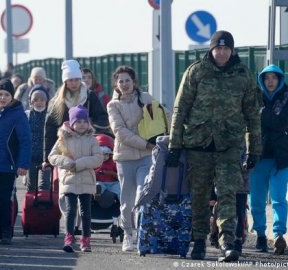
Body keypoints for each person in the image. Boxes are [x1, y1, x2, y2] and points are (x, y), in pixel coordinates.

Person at [167, 30, 262, 262]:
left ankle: (227, 243)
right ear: (211, 50)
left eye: (226, 48)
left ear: (232, 50)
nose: (221, 52)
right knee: (199, 196)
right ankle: (198, 242)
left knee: (228, 194)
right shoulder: (196, 72)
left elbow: (252, 115)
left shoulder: (243, 75)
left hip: (229, 145)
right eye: (217, 48)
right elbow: (180, 110)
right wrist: (174, 145)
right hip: (198, 144)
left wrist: (254, 149)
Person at [107, 65, 156, 252]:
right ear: (116, 84)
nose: (125, 84)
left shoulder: (146, 98)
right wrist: (145, 144)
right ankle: (128, 235)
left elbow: (164, 116)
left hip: (146, 156)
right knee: (127, 200)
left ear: (134, 82)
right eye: (121, 81)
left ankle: (142, 234)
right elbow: (120, 132)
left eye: (128, 80)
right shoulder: (113, 105)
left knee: (143, 194)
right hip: (125, 157)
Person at [0, 78, 31, 245]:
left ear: (12, 97)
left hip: (8, 165)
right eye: (0, 94)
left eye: (6, 94)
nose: (2, 97)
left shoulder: (18, 115)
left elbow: (25, 141)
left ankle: (6, 231)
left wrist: (23, 164)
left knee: (4, 200)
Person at [48, 105, 103, 253]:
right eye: (78, 121)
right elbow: (52, 156)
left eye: (84, 121)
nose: (82, 125)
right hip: (69, 179)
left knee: (86, 212)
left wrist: (79, 164)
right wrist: (65, 162)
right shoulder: (63, 139)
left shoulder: (92, 140)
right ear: (71, 123)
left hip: (86, 179)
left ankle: (85, 239)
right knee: (70, 210)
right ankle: (69, 237)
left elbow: (98, 158)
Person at [42, 59, 110, 170]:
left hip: (86, 148)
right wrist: (47, 159)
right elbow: (50, 128)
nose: (74, 83)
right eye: (70, 80)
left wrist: (90, 129)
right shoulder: (58, 100)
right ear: (65, 82)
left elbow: (102, 118)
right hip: (65, 150)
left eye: (77, 80)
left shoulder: (89, 96)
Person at [249, 64, 288, 255]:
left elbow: (282, 123)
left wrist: (263, 114)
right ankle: (260, 235)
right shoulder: (255, 98)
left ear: (280, 79)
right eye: (266, 78)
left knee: (279, 199)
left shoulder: (286, 97)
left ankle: (279, 235)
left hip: (281, 158)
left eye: (274, 77)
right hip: (258, 156)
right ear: (262, 80)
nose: (270, 81)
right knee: (256, 200)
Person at [23, 84, 50, 192]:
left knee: (45, 185)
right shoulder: (27, 115)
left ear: (46, 101)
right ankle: (31, 207)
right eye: (36, 100)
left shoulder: (50, 116)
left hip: (46, 156)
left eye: (42, 100)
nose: (39, 102)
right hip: (31, 156)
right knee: (31, 186)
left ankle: (44, 207)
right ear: (31, 102)